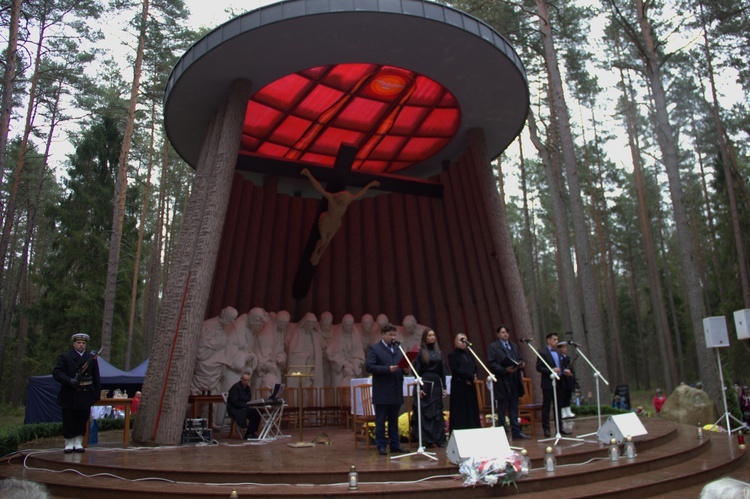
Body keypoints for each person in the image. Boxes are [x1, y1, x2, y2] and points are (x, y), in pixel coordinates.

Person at [301, 168, 380, 265]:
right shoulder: (331, 198)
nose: (346, 202)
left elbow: (360, 194)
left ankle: (319, 255)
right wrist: (309, 175)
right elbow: (318, 188)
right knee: (324, 240)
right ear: (339, 198)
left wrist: (369, 185)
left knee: (327, 242)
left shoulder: (347, 200)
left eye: (347, 201)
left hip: (336, 223)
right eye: (344, 200)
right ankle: (316, 250)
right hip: (326, 221)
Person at [52, 333, 101, 453]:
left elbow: (96, 377)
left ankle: (78, 442)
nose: (81, 345)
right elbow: (57, 372)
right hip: (70, 392)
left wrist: (96, 394)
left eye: (83, 343)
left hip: (85, 393)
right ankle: (68, 442)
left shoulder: (91, 358)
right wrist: (69, 380)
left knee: (82, 418)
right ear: (74, 344)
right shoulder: (66, 356)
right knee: (69, 418)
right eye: (78, 343)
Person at [365, 323, 408, 456]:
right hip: (383, 390)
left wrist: (406, 370)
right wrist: (387, 369)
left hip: (396, 389)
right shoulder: (374, 349)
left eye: (394, 334)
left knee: (394, 419)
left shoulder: (398, 349)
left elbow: (402, 365)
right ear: (382, 335)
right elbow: (369, 367)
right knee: (381, 419)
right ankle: (381, 445)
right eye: (390, 335)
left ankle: (395, 444)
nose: (393, 337)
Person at [488, 325, 529, 440]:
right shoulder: (494, 347)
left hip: (514, 379)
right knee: (502, 407)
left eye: (506, 332)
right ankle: (502, 432)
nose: (505, 334)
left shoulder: (513, 346)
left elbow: (519, 358)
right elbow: (491, 363)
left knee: (514, 407)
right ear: (498, 334)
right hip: (502, 380)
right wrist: (504, 369)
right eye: (502, 332)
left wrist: (521, 364)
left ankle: (516, 431)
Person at [410, 328, 448, 447]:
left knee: (437, 411)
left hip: (436, 383)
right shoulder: (420, 353)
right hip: (424, 383)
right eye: (429, 335)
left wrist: (444, 387)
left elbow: (442, 371)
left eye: (433, 335)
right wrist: (419, 388)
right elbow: (415, 371)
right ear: (425, 338)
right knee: (425, 412)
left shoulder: (439, 353)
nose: (432, 337)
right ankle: (427, 439)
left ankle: (439, 439)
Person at [536, 332, 572, 438]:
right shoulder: (543, 353)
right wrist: (551, 370)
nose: (556, 342)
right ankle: (546, 429)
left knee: (558, 405)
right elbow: (539, 367)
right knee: (547, 406)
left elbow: (561, 366)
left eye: (557, 339)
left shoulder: (559, 353)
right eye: (554, 340)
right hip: (548, 382)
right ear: (548, 340)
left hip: (559, 382)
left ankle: (559, 427)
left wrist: (565, 371)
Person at [448, 333, 480, 431]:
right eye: (461, 340)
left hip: (470, 386)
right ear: (455, 342)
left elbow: (475, 367)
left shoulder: (469, 354)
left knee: (471, 408)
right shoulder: (452, 355)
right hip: (459, 385)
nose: (463, 343)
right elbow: (455, 370)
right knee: (460, 410)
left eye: (465, 340)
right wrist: (469, 377)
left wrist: (474, 376)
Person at [327, 314, 365, 387]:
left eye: (351, 325)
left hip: (354, 367)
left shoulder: (356, 333)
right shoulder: (336, 334)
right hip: (340, 368)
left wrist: (354, 365)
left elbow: (359, 352)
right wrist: (344, 364)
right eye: (347, 325)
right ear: (343, 324)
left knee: (355, 389)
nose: (349, 328)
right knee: (339, 391)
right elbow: (331, 353)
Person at [226, 370, 262, 439]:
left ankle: (251, 432)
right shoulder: (235, 387)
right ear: (241, 379)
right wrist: (245, 405)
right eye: (245, 380)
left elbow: (248, 399)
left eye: (248, 380)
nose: (246, 382)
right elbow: (234, 402)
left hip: (244, 407)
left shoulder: (247, 388)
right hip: (236, 409)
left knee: (258, 411)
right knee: (253, 412)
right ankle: (249, 433)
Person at [557, 341, 576, 419]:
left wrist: (571, 373)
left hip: (568, 379)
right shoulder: (559, 357)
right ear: (560, 348)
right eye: (563, 348)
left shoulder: (568, 357)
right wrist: (565, 371)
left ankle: (568, 410)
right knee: (563, 395)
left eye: (566, 347)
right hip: (562, 379)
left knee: (568, 394)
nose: (565, 349)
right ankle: (563, 411)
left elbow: (571, 367)